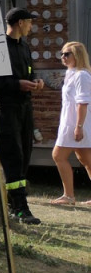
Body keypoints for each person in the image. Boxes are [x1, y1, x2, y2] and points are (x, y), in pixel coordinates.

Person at [0, 7, 44, 224]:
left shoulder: (25, 46)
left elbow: (29, 72)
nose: (31, 26)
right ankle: (19, 207)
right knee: (13, 156)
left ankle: (17, 203)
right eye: (29, 22)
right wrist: (16, 84)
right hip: (5, 108)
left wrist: (35, 82)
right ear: (20, 23)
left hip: (24, 107)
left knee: (25, 154)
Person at [50, 41, 91, 206]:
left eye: (67, 54)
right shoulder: (71, 73)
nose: (63, 57)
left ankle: (69, 196)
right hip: (70, 122)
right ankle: (69, 196)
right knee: (86, 159)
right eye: (62, 54)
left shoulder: (82, 75)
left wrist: (78, 127)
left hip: (75, 124)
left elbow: (83, 102)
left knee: (58, 155)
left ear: (77, 55)